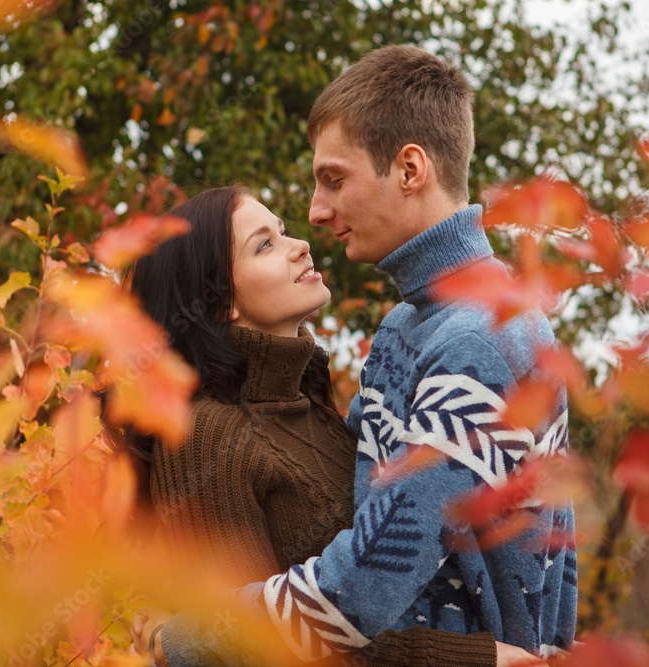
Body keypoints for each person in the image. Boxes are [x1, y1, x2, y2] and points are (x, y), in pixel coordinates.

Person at [141, 45, 577, 666]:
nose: (317, 213)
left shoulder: (477, 340)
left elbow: (370, 577)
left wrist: (188, 638)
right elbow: (357, 515)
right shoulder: (407, 327)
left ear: (409, 169)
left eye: (335, 179)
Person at [119, 185, 538, 666]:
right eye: (265, 245)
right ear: (219, 303)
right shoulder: (203, 437)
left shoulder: (313, 407)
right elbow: (253, 648)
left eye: (283, 231)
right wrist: (472, 659)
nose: (299, 245)